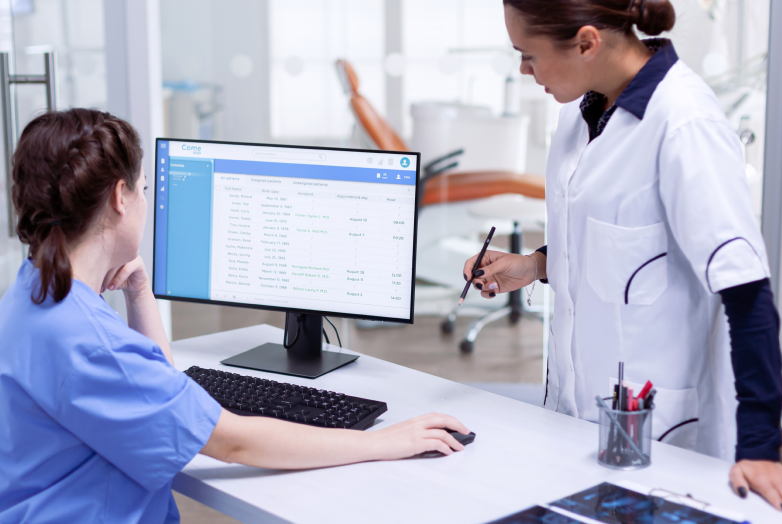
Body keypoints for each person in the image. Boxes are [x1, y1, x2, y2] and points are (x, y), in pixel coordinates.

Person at [0, 108, 469, 523]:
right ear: (120, 198)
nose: (145, 201)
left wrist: (139, 293)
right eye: (143, 190)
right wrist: (383, 442)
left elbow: (157, 388)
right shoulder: (95, 345)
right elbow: (232, 442)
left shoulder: (30, 296)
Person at [465, 0, 782, 511]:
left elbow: (747, 295)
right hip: (571, 416)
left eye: (528, 55)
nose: (524, 71)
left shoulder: (684, 124)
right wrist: (535, 266)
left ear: (587, 43)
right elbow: (619, 238)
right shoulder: (581, 109)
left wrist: (763, 448)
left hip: (661, 435)